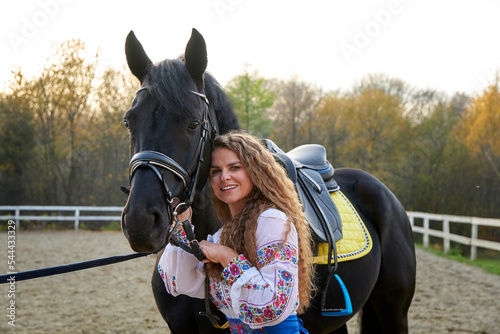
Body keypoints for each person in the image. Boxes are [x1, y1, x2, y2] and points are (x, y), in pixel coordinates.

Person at [157, 131, 314, 333]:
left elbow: (273, 305)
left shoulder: (272, 220)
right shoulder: (224, 233)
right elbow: (180, 283)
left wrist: (226, 256)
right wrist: (182, 224)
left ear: (255, 171)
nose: (224, 177)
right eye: (215, 171)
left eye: (234, 167)